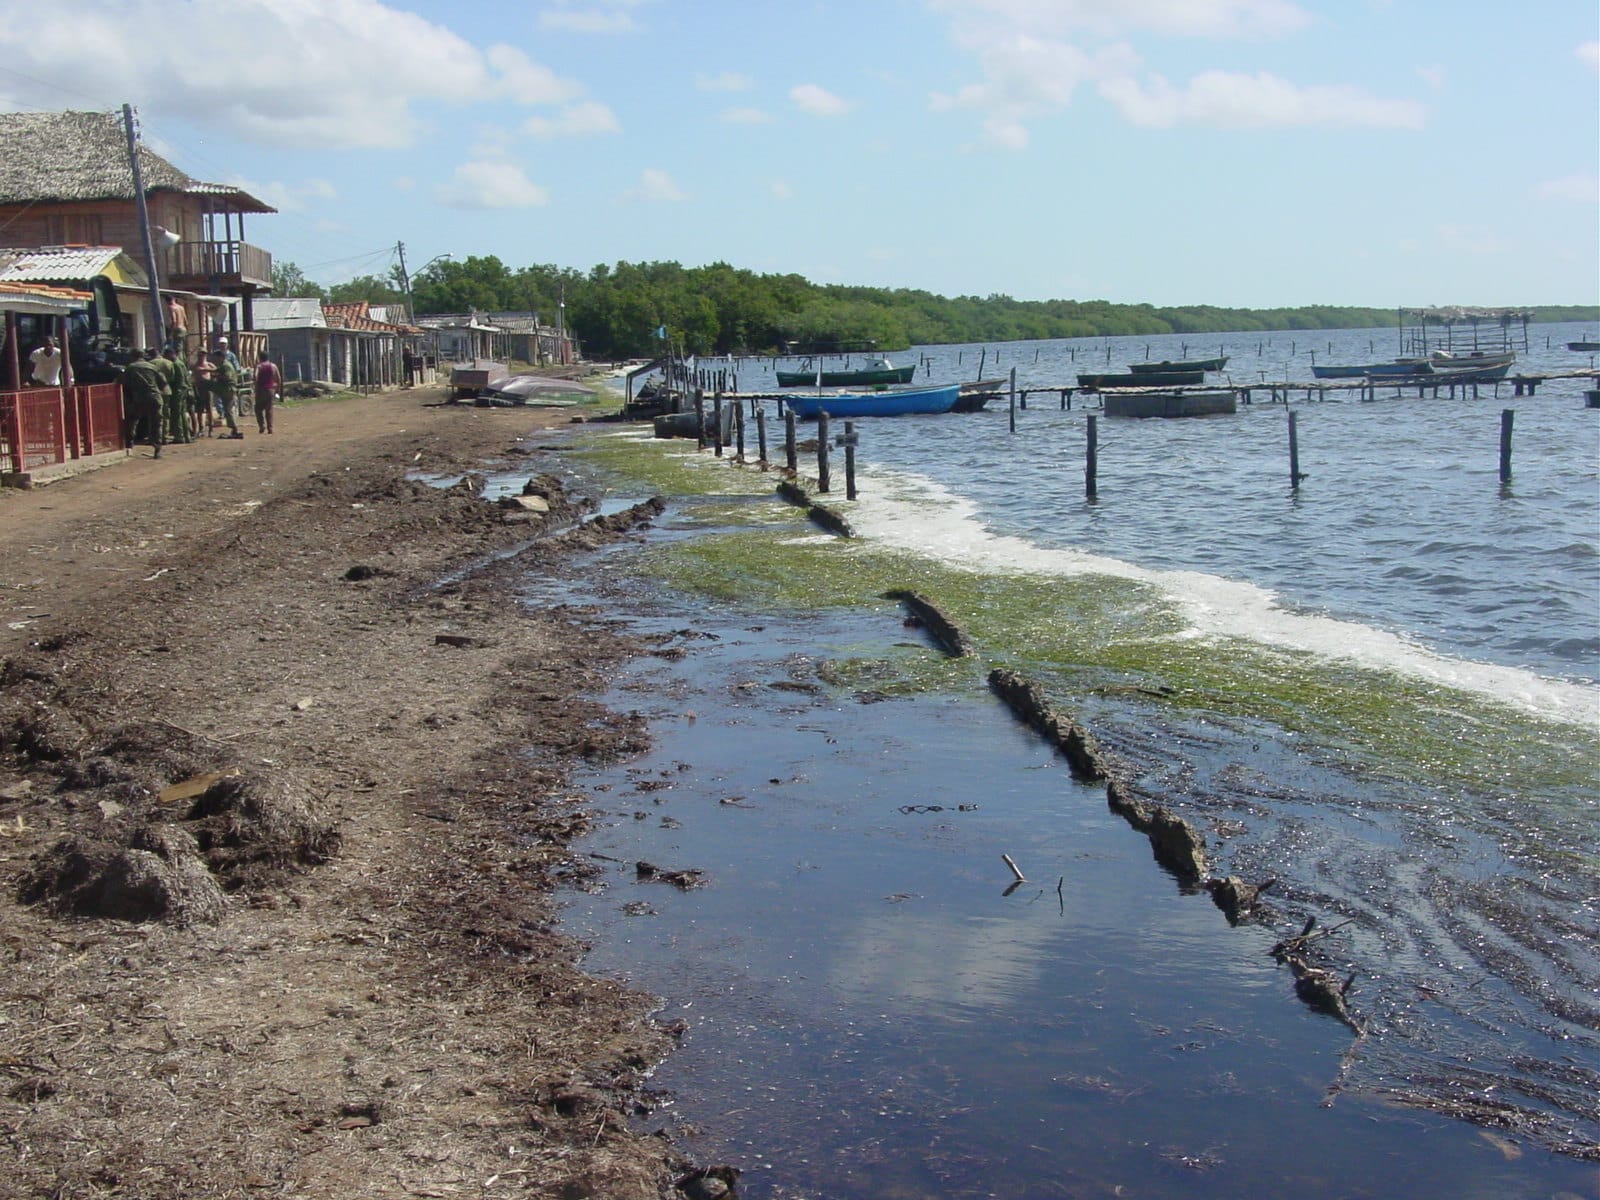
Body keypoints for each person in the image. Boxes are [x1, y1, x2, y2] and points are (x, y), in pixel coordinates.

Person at [121, 349, 166, 458]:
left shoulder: (130, 368)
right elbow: (163, 382)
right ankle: (157, 449)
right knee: (156, 423)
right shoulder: (152, 367)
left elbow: (122, 383)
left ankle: (129, 445)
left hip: (138, 398)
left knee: (131, 421)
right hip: (155, 397)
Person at [162, 345, 194, 444]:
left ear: (171, 354)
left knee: (176, 414)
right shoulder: (180, 362)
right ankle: (186, 436)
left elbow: (177, 379)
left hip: (178, 391)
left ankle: (179, 436)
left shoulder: (176, 364)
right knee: (182, 414)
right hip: (183, 390)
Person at [210, 347, 241, 438]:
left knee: (228, 410)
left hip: (228, 389)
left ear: (220, 357)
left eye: (216, 358)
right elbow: (217, 371)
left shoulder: (226, 365)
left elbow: (227, 377)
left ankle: (235, 429)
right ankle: (234, 429)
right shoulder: (223, 365)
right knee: (228, 410)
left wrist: (217, 376)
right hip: (227, 389)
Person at [253, 350, 281, 434]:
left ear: (260, 357)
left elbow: (255, 376)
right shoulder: (273, 366)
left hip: (261, 390)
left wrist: (255, 385)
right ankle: (270, 427)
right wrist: (277, 390)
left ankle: (262, 425)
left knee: (258, 409)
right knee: (269, 409)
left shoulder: (259, 366)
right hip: (270, 389)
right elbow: (278, 378)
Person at [189, 348, 213, 437]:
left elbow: (216, 371)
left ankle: (211, 429)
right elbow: (196, 371)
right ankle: (201, 428)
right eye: (200, 354)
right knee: (199, 410)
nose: (202, 356)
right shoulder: (195, 365)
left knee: (209, 409)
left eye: (203, 354)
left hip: (208, 389)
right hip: (199, 389)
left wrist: (209, 370)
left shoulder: (209, 364)